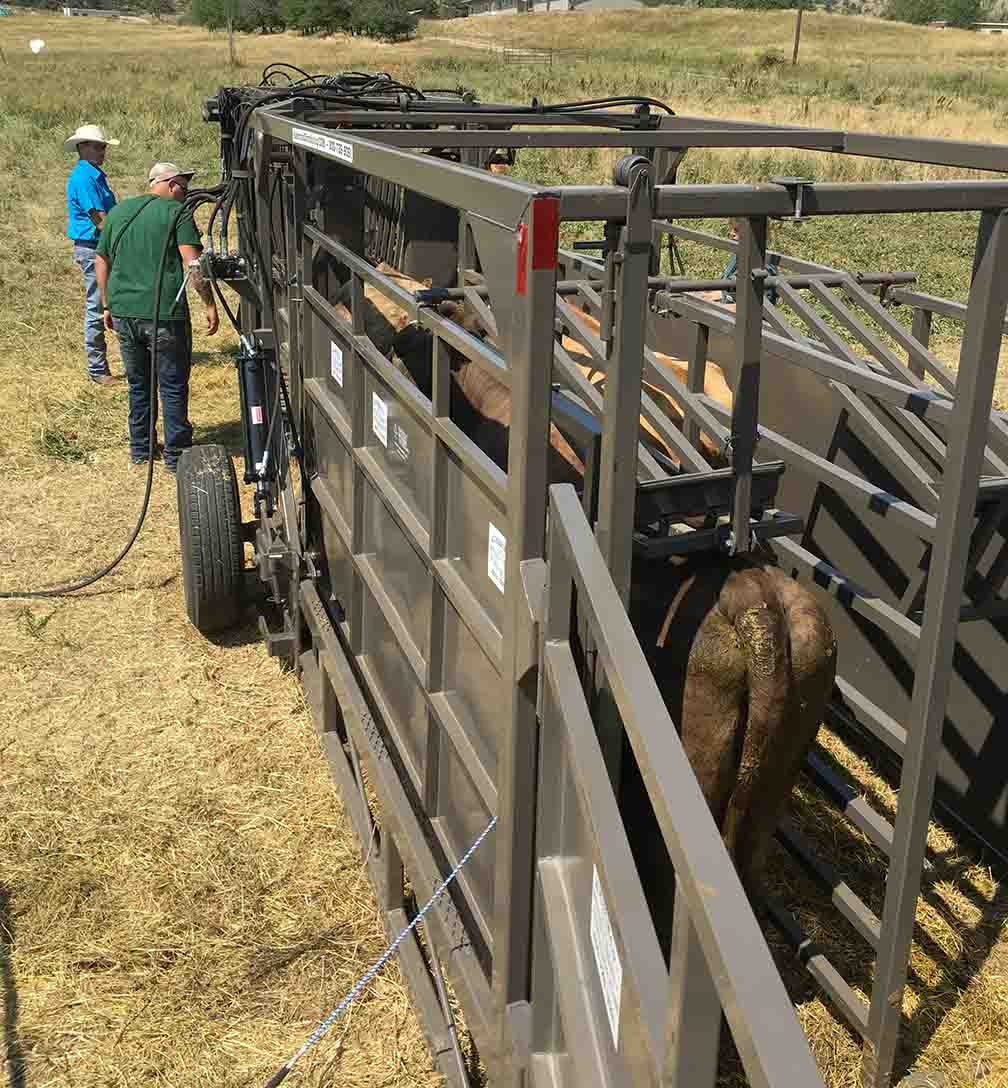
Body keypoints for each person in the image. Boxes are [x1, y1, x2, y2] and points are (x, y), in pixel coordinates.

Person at [95, 162, 219, 472]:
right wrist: (209, 304)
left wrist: (107, 305)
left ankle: (141, 448)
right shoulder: (176, 213)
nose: (185, 194)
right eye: (184, 188)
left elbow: (101, 258)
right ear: (173, 184)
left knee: (139, 383)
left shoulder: (120, 212)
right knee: (173, 384)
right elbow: (193, 265)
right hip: (163, 314)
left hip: (124, 313)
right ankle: (177, 455)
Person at [65, 124, 120, 385]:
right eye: (98, 147)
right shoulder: (85, 178)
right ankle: (98, 369)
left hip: (97, 245)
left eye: (103, 147)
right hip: (94, 246)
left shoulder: (91, 175)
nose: (102, 151)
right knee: (97, 305)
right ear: (83, 147)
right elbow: (100, 220)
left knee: (104, 302)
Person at [720, 219, 780, 306]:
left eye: (736, 230)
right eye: (731, 229)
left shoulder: (763, 262)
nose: (731, 233)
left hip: (750, 313)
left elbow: (763, 299)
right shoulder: (739, 254)